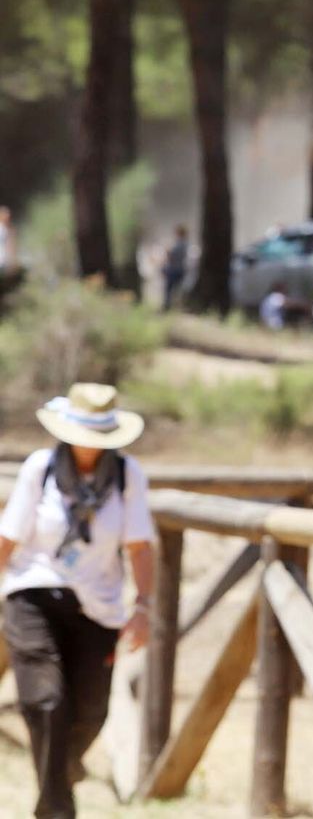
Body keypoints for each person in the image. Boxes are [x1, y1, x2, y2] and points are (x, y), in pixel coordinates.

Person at [0, 383, 156, 819]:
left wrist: (143, 607)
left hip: (98, 605)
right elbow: (8, 537)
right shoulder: (41, 468)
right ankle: (56, 810)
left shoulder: (127, 476)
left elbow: (140, 547)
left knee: (90, 711)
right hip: (33, 593)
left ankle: (63, 769)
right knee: (46, 700)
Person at [160, 225, 189, 311]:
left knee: (169, 289)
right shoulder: (185, 244)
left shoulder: (179, 244)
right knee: (177, 289)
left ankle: (168, 305)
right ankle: (175, 305)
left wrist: (167, 250)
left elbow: (171, 256)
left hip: (174, 269)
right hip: (180, 269)